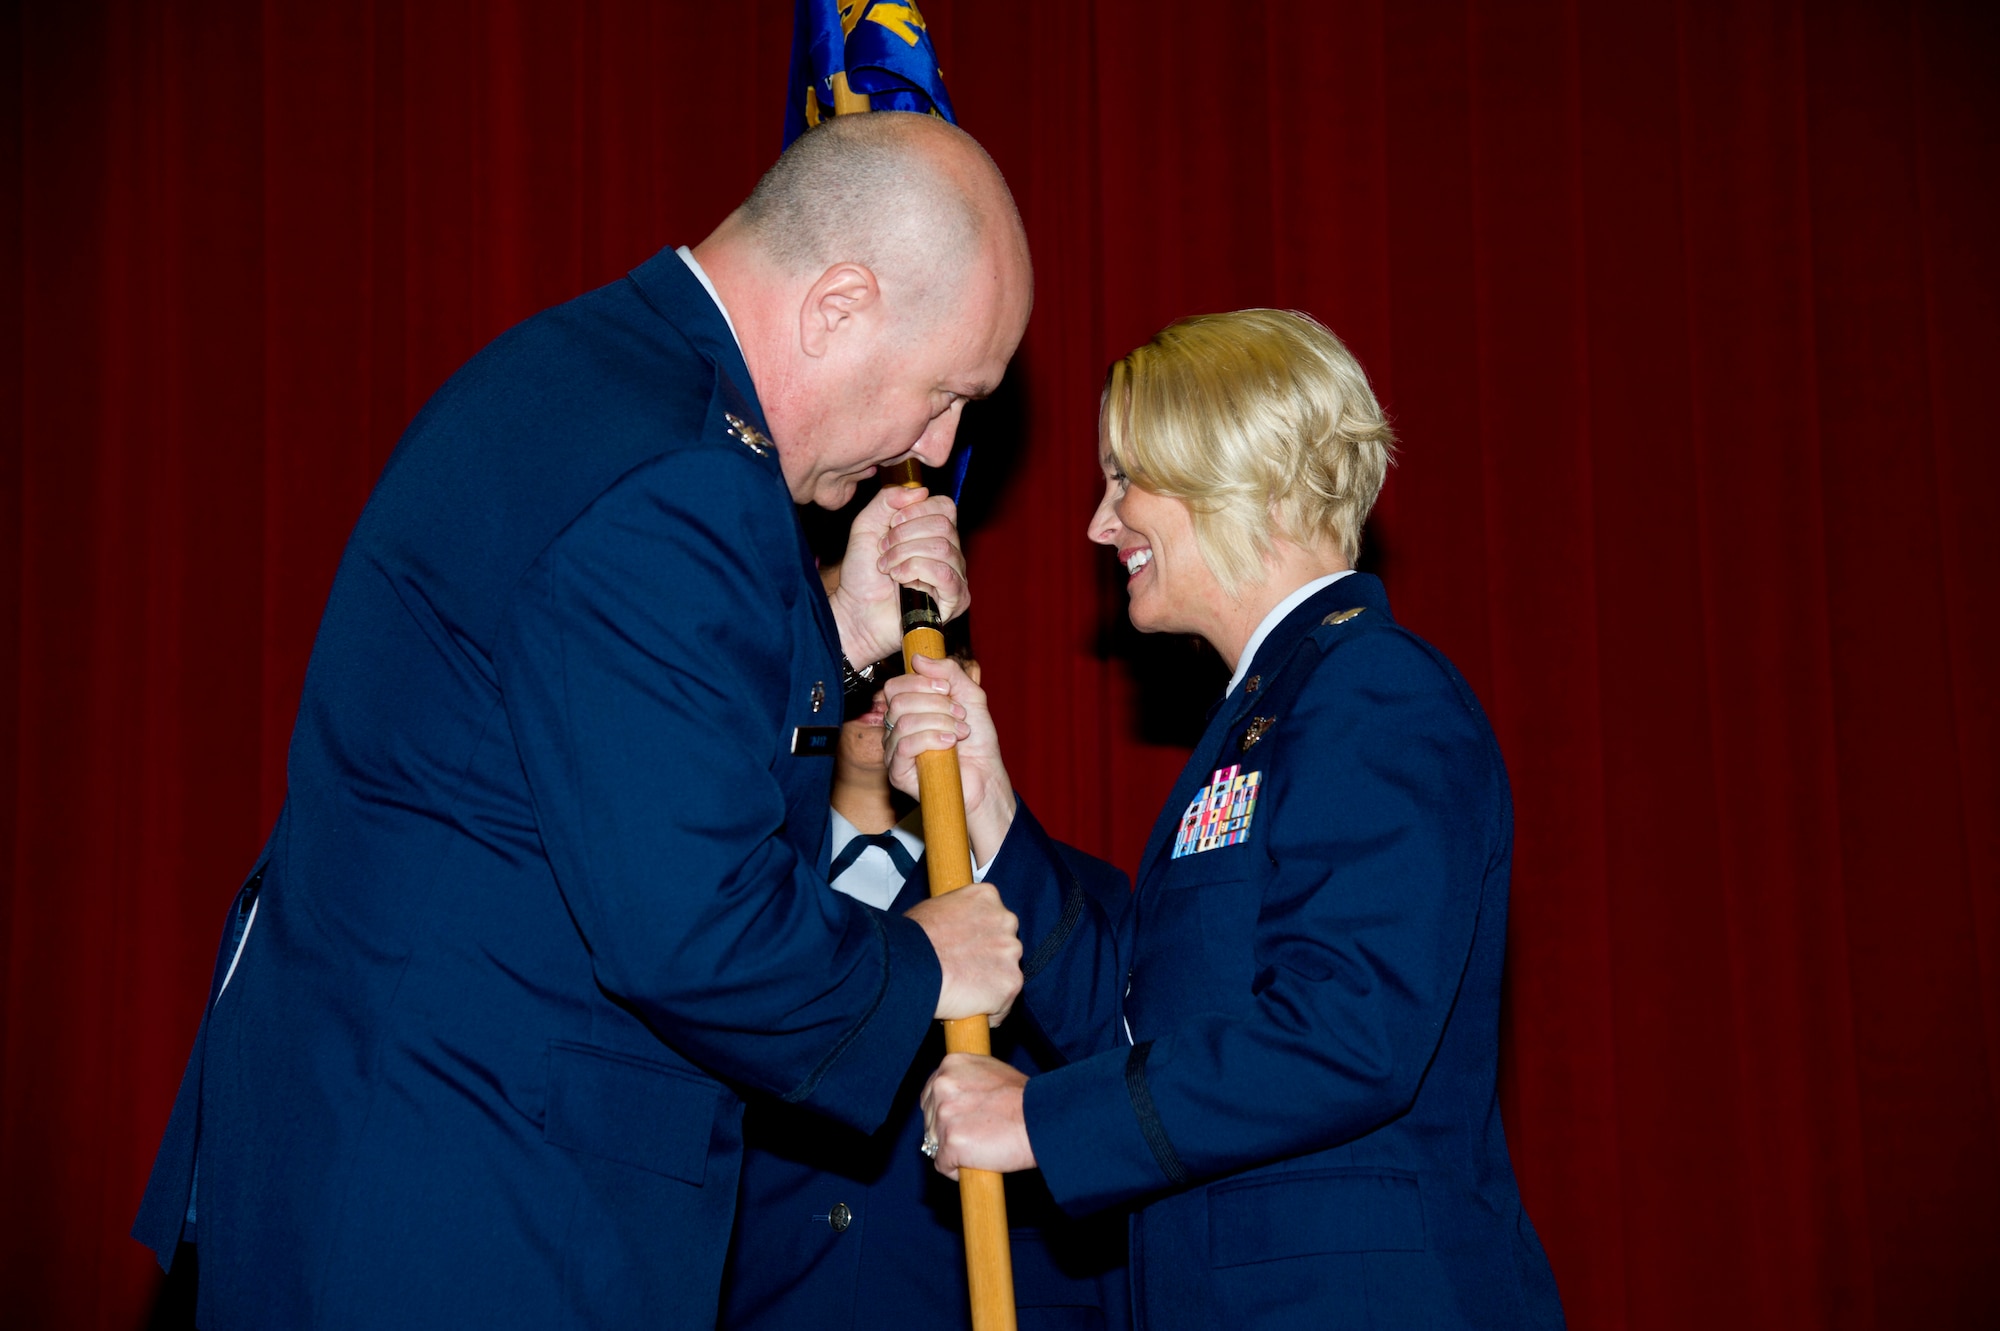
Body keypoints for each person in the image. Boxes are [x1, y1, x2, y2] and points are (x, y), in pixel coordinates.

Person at [131, 112, 1033, 1331]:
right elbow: (691, 926)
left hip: (398, 1151)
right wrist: (922, 959)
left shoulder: (602, 380)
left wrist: (836, 633)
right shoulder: (678, 473)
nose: (934, 447)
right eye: (943, 394)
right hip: (472, 1204)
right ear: (837, 306)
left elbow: (597, 736)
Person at [882, 310, 1568, 1329]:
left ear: (1233, 468)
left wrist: (1037, 1118)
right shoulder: (1265, 713)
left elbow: (1350, 1031)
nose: (1099, 525)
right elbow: (1134, 1027)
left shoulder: (1373, 689)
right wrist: (990, 806)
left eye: (1125, 479)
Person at [721, 607, 1128, 1330]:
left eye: (906, 659)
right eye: (860, 661)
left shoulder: (1079, 899)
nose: (881, 685)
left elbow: (1125, 1107)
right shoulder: (731, 903)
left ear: (967, 678)